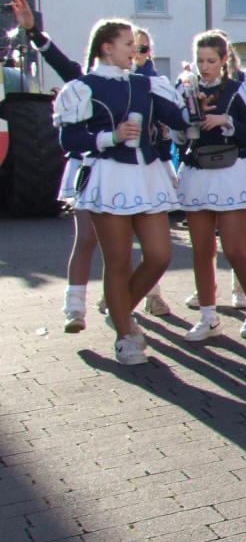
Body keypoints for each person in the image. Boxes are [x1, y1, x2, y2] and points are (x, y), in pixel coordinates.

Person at [52, 19, 188, 364]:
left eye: (136, 44)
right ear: (106, 47)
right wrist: (110, 136)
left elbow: (179, 119)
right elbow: (69, 139)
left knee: (160, 255)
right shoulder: (83, 87)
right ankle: (126, 336)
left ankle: (120, 309)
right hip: (108, 176)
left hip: (147, 176)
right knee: (119, 262)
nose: (134, 50)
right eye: (128, 43)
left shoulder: (147, 84)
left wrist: (200, 104)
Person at [173, 31, 246, 341]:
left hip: (231, 172)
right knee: (201, 249)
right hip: (197, 170)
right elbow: (176, 136)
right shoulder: (185, 89)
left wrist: (225, 121)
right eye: (200, 60)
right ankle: (208, 317)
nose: (205, 66)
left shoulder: (241, 91)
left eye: (211, 60)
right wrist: (185, 127)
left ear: (225, 60)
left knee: (235, 248)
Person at [12, 0, 96, 333]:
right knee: (87, 237)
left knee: (124, 248)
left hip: (128, 175)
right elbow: (60, 62)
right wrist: (34, 33)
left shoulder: (139, 86)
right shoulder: (84, 81)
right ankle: (74, 306)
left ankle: (127, 298)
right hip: (91, 170)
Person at [131, 27, 174, 317]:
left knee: (153, 239)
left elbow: (173, 124)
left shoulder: (156, 81)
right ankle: (118, 295)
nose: (137, 53)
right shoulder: (107, 78)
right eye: (132, 46)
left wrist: (162, 130)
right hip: (118, 167)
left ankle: (153, 294)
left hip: (151, 165)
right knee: (119, 244)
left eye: (144, 48)